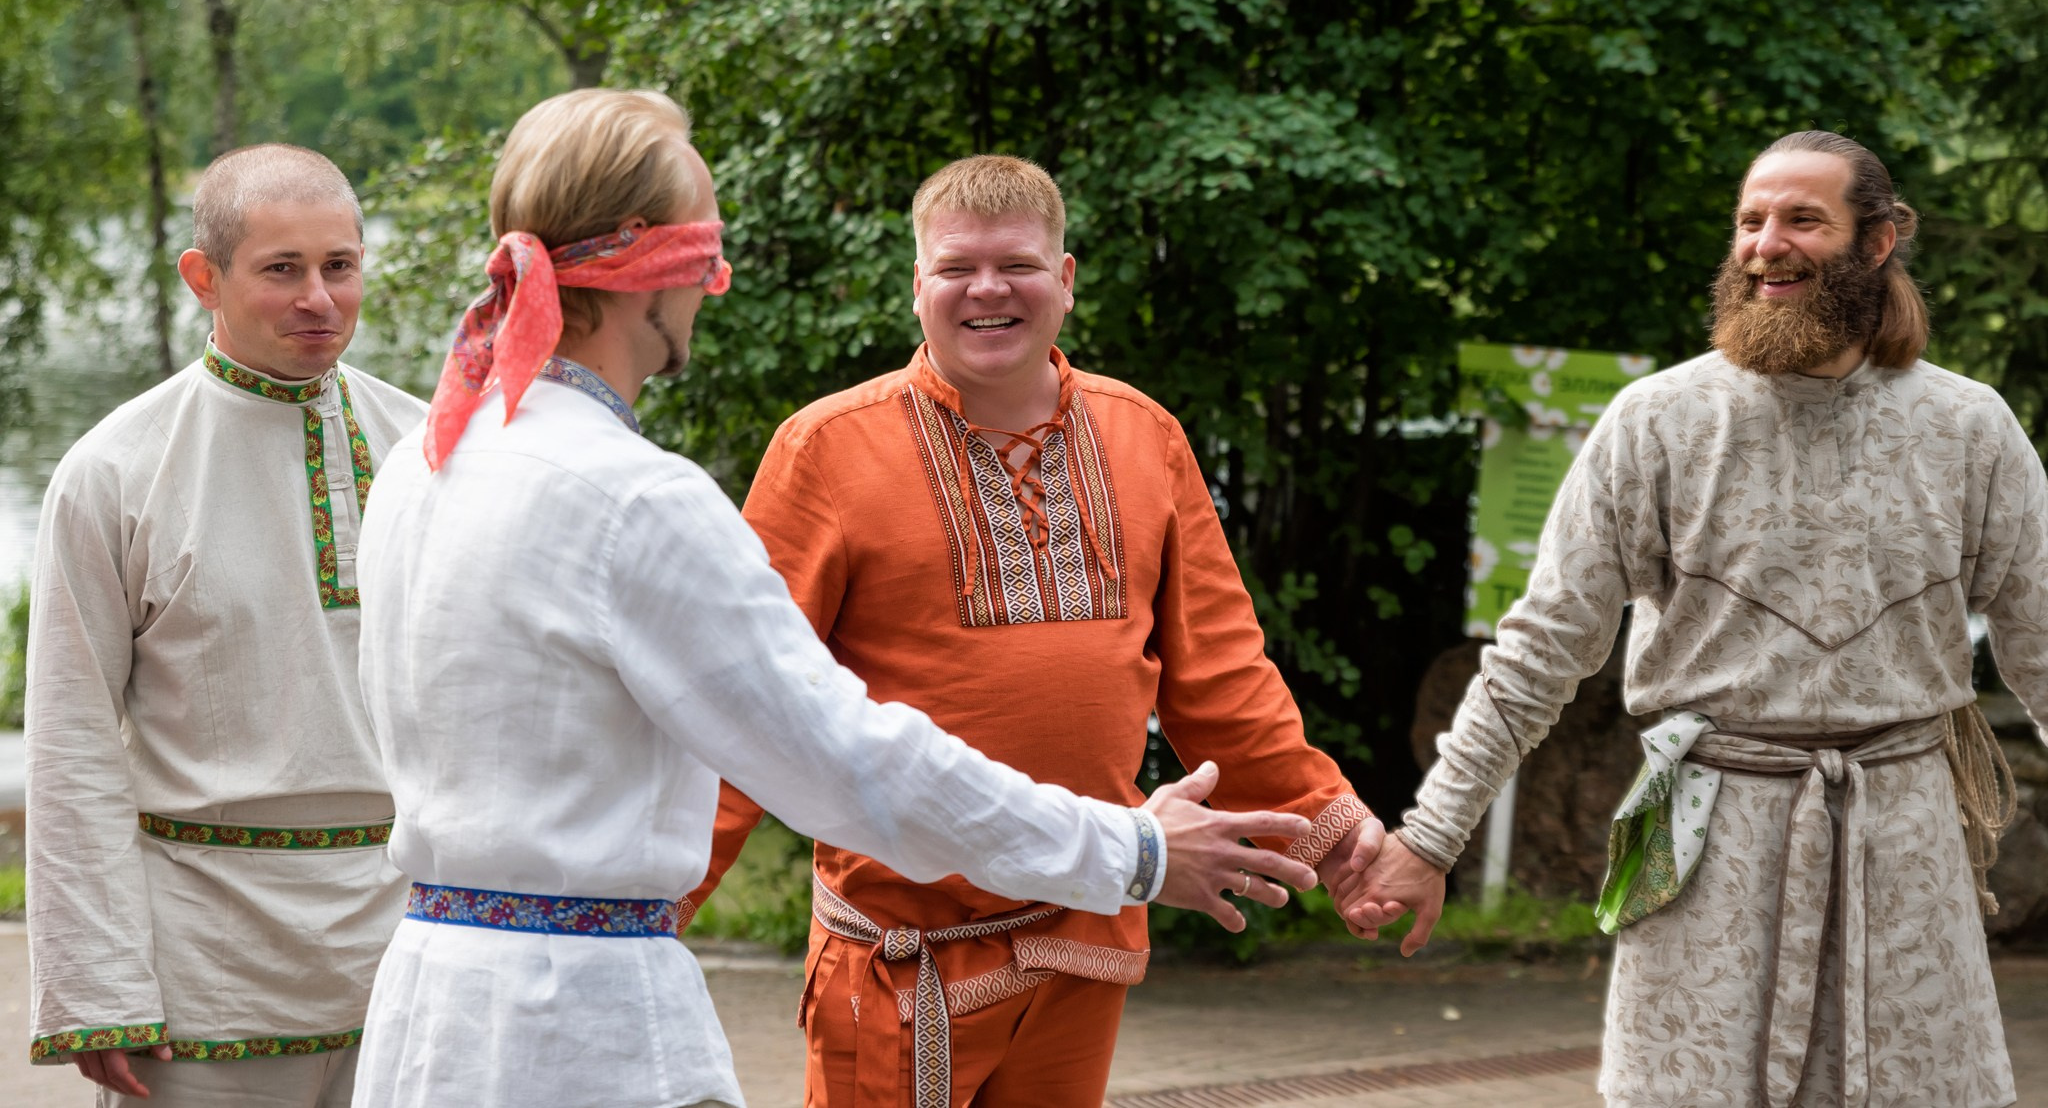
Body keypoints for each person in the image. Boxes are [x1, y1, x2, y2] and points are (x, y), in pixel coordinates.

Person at [348, 88, 1320, 1108]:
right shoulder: (635, 497)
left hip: (429, 1007)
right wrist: (1130, 845)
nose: (713, 286)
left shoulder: (423, 459)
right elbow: (846, 759)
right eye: (706, 247)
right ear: (660, 269)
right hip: (581, 1030)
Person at [1345, 130, 2048, 1108]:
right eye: (1750, 219)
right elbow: (1538, 650)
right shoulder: (1655, 422)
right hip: (1698, 833)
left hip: (1904, 834)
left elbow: (2042, 650)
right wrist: (1426, 839)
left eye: (1803, 218)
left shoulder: (1969, 429)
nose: (1766, 241)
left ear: (1877, 240)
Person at [682, 153, 1381, 1107]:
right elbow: (741, 701)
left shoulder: (1147, 436)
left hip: (1087, 931)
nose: (986, 290)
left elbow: (1220, 677)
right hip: (904, 959)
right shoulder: (825, 449)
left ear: (1066, 278)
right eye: (955, 267)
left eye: (1015, 264)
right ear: (916, 284)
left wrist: (1339, 838)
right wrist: (648, 906)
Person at [25, 145, 425, 1105]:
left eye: (340, 265)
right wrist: (95, 988)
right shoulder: (116, 469)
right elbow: (72, 742)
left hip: (410, 955)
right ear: (204, 277)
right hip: (207, 974)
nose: (318, 298)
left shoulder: (425, 448)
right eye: (281, 269)